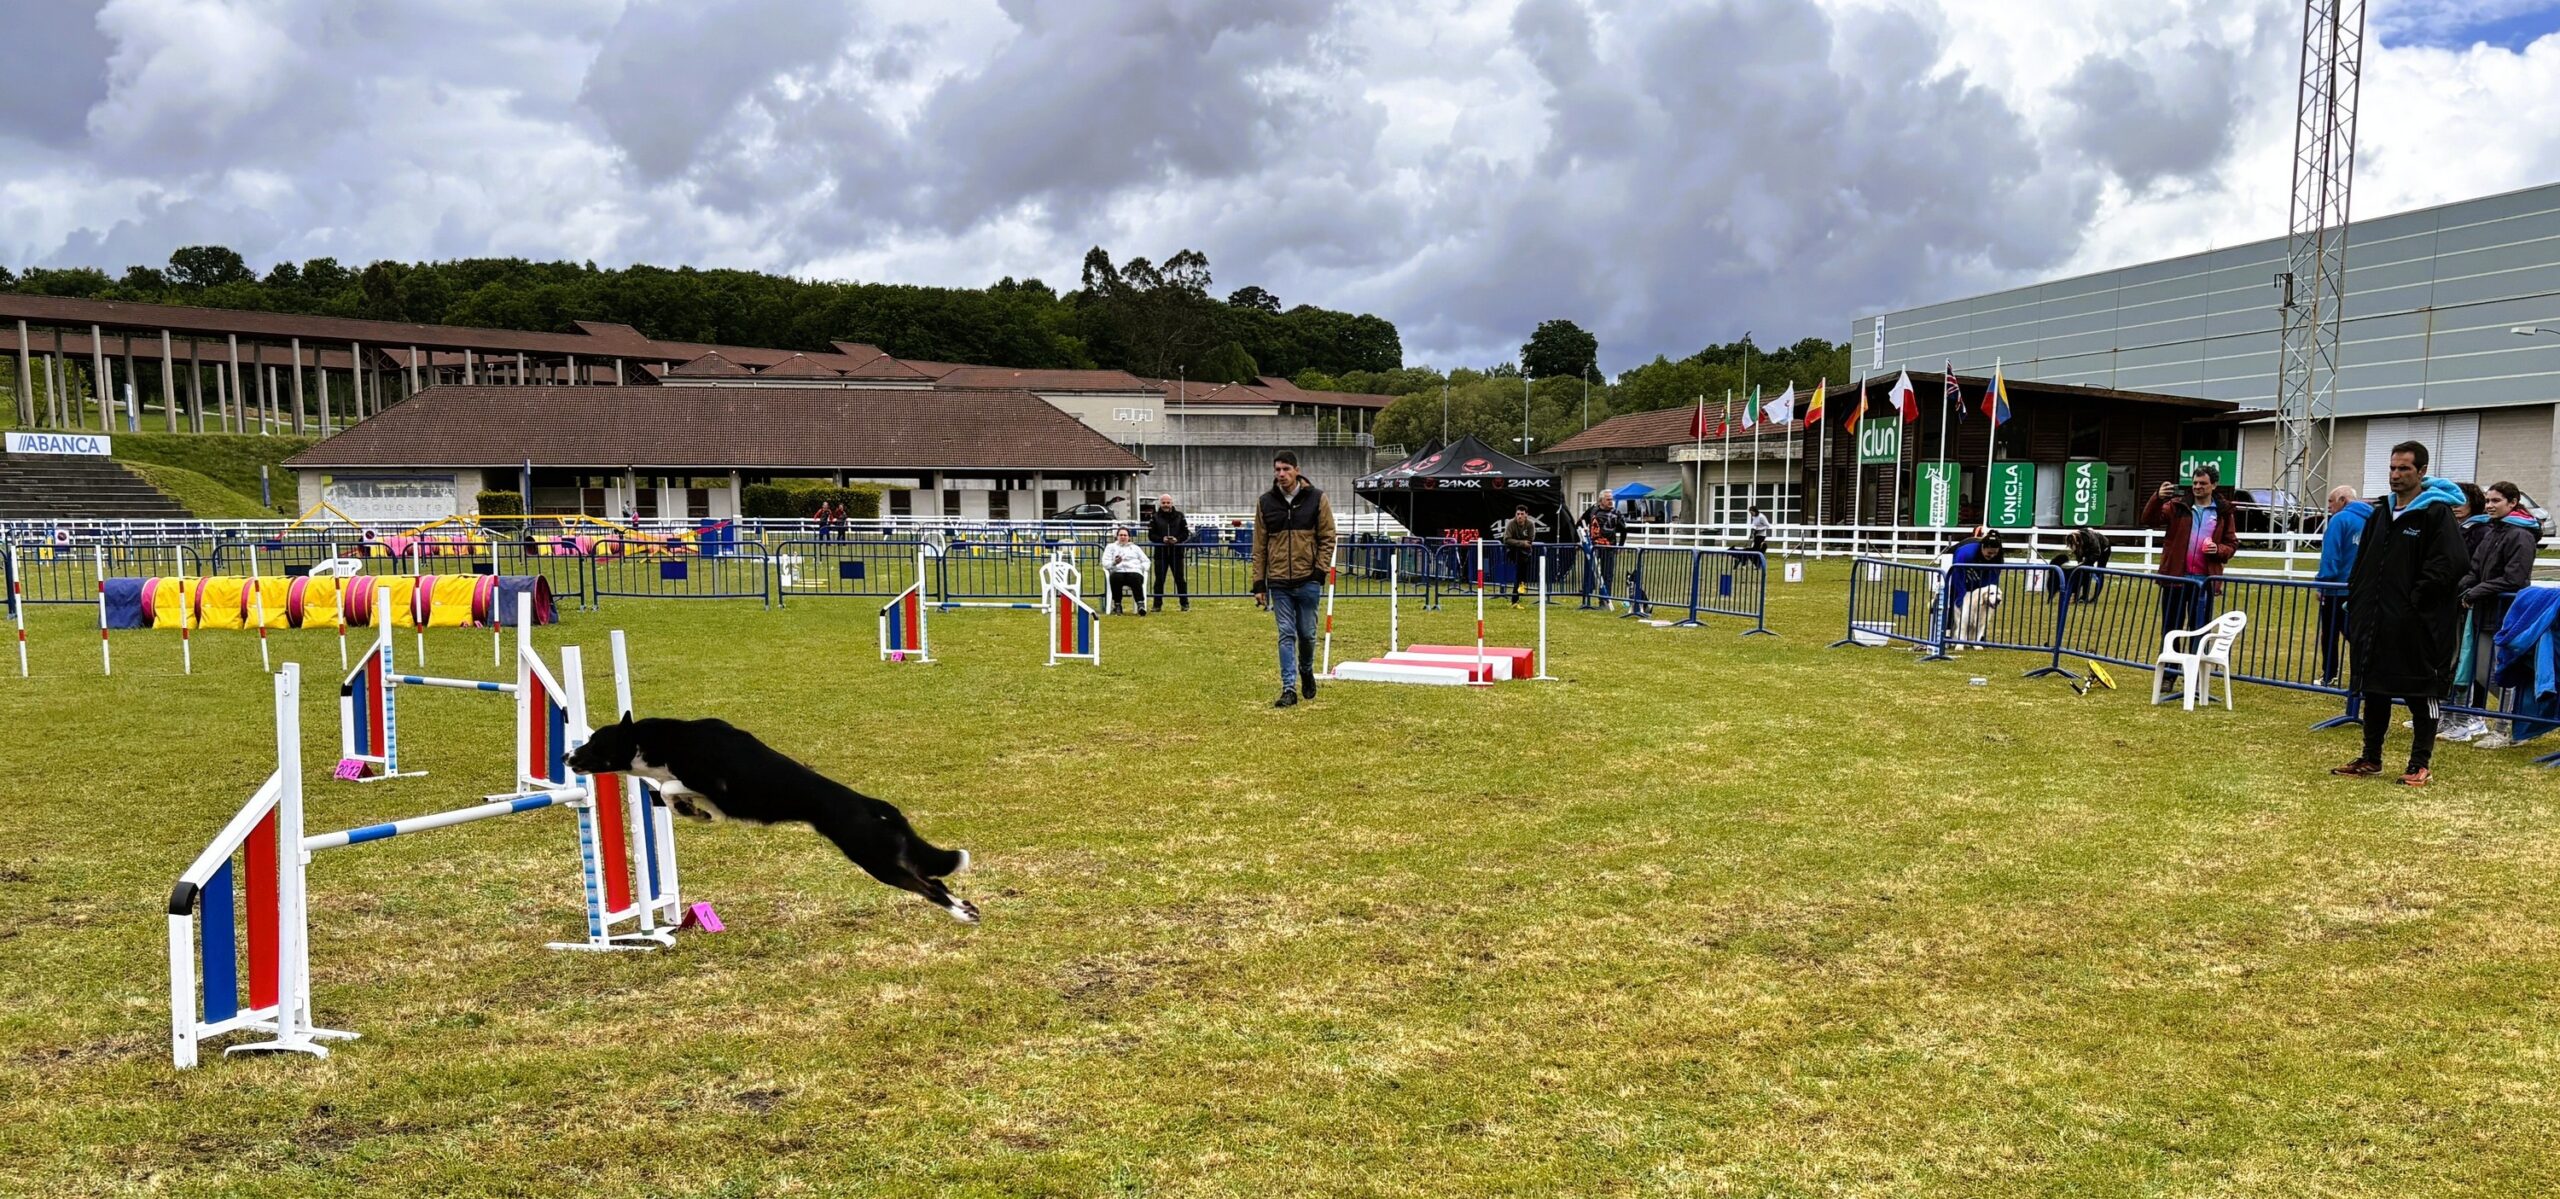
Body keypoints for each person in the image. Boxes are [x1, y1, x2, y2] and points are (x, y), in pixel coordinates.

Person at [2334, 441, 2469, 787]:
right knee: (2374, 689)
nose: (2395, 475)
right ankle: (2371, 757)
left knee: (2421, 693)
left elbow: (2450, 565)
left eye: (2404, 469)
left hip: (2417, 626)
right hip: (2375, 622)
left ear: (2421, 472)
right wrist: (2359, 598)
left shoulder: (2436, 514)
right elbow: (2363, 562)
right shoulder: (2380, 513)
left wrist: (2416, 601)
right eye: (2392, 468)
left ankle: (2419, 763)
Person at [2452, 481, 2539, 747]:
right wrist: (2458, 589)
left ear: (2512, 502)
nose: (2489, 505)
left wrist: (2476, 591)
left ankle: (2506, 728)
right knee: (2482, 673)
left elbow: (2514, 578)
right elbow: (2475, 569)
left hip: (2508, 616)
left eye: (2496, 501)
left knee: (2501, 674)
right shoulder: (2492, 532)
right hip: (2485, 615)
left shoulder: (2521, 536)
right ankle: (2520, 718)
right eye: (2488, 500)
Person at [1250, 451, 1337, 708]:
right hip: (1278, 581)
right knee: (1286, 634)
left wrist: (1319, 571)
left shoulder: (1317, 499)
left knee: (1307, 634)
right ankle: (1288, 688)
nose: (1281, 474)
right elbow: (1259, 546)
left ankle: (1306, 670)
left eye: (1286, 469)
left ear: (1297, 470)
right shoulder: (1265, 502)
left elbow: (1327, 537)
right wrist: (1258, 583)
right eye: (1277, 469)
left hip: (1308, 578)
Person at [2141, 462, 2237, 649]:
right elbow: (2149, 520)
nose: (2197, 487)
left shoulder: (2223, 513)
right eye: (2195, 483)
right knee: (2171, 629)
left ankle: (2196, 670)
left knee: (2200, 629)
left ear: (2214, 485)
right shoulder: (2177, 506)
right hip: (2175, 577)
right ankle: (2169, 672)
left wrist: (2217, 550)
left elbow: (2232, 544)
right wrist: (2157, 498)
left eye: (2202, 483)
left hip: (2204, 581)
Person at [2314, 484, 2372, 689]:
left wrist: (2322, 582)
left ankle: (2329, 675)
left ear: (2343, 500)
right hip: (2363, 588)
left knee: (2331, 633)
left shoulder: (2340, 520)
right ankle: (2365, 675)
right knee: (2358, 632)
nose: (2329, 506)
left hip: (2337, 587)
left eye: (2331, 501)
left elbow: (2331, 555)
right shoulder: (2372, 520)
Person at [1145, 493, 1192, 612]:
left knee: (1180, 579)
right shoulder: (1154, 517)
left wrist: (1177, 540)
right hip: (1161, 554)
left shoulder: (1180, 516)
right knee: (1159, 580)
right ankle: (1157, 605)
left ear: (1172, 503)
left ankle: (1184, 603)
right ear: (1160, 504)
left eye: (1168, 502)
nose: (1166, 505)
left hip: (1177, 553)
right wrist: (1162, 540)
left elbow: (1186, 533)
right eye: (1163, 503)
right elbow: (1151, 535)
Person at [1581, 493, 1628, 608]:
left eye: (1611, 499)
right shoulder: (1593, 510)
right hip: (1593, 547)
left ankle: (1604, 601)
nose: (1610, 501)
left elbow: (1624, 530)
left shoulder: (1616, 513)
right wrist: (1583, 537)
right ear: (1601, 500)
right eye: (1608, 499)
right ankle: (1586, 599)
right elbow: (1580, 522)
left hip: (1609, 548)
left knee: (1607, 575)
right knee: (1590, 573)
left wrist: (1620, 546)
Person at [1101, 527, 1149, 616]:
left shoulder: (1135, 548)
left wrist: (1141, 568)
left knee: (1135, 577)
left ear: (1129, 537)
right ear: (1117, 536)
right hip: (1118, 570)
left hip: (1134, 570)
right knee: (1116, 577)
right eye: (1121, 535)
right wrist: (1114, 562)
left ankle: (1140, 604)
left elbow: (1146, 561)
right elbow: (1105, 563)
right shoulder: (1111, 547)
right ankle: (1117, 605)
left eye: (1125, 535)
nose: (1123, 537)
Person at [1500, 504, 1538, 604]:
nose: (1519, 516)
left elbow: (1530, 540)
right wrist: (1521, 543)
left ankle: (1518, 591)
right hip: (1513, 551)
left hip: (1525, 552)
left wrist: (1521, 543)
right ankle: (1519, 589)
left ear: (1526, 515)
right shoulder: (1511, 523)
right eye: (1518, 514)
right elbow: (1506, 539)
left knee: (1521, 570)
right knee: (1519, 571)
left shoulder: (1530, 524)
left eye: (1522, 514)